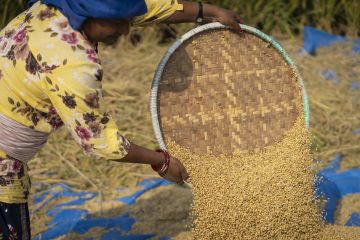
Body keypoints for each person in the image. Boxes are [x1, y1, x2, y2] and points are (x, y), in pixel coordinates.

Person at [0, 0, 242, 238]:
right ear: (90, 17)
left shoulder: (59, 6)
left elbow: (145, 8)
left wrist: (210, 11)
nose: (126, 30)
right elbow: (99, 142)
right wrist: (163, 161)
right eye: (117, 23)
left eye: (126, 19)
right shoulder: (73, 64)